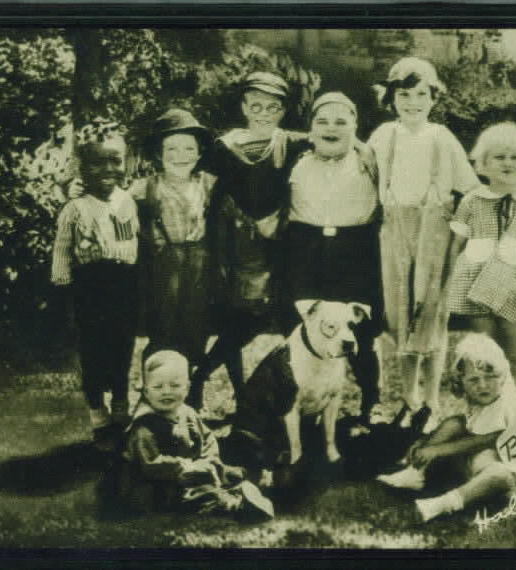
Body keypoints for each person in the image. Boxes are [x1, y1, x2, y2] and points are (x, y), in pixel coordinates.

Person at [368, 57, 482, 421]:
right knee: (401, 313)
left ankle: (431, 402)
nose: (412, 103)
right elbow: (362, 177)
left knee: (433, 314)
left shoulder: (441, 137)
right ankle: (409, 398)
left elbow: (470, 187)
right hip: (394, 229)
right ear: (391, 98)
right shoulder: (383, 135)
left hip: (435, 231)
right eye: (404, 95)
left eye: (421, 95)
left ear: (434, 98)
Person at [191, 71, 310, 405]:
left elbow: (336, 141)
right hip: (239, 247)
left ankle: (296, 393)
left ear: (283, 110)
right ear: (243, 107)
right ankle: (212, 382)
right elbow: (204, 189)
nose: (263, 113)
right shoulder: (224, 147)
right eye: (255, 105)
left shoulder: (292, 143)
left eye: (273, 107)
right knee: (240, 320)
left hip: (280, 245)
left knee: (281, 317)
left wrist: (280, 215)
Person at [280, 91, 382, 422]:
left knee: (360, 331)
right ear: (310, 128)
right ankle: (298, 404)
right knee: (302, 325)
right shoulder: (296, 161)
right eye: (322, 121)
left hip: (355, 249)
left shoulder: (371, 162)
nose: (331, 128)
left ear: (355, 126)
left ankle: (371, 403)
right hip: (305, 248)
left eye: (341, 122)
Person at [376, 333, 516, 522]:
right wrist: (425, 444)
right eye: (474, 380)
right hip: (490, 460)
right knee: (456, 423)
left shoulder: (508, 403)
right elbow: (468, 429)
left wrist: (436, 450)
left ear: (502, 377)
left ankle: (443, 504)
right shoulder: (480, 402)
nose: (483, 386)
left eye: (490, 377)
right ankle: (416, 472)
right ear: (461, 381)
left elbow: (482, 440)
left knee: (499, 474)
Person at [446, 122, 516, 395]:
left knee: (512, 357)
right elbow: (454, 247)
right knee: (484, 356)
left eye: (515, 157)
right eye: (499, 157)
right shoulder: (471, 201)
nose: (508, 163)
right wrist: (444, 288)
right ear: (483, 163)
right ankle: (484, 409)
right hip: (475, 290)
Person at [50, 125, 139, 446]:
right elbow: (62, 246)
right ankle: (98, 416)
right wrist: (62, 279)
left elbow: (129, 237)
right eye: (97, 162)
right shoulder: (76, 208)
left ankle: (121, 408)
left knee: (123, 348)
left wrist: (133, 266)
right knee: (93, 352)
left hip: (124, 283)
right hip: (91, 285)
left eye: (115, 160)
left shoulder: (126, 201)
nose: (108, 169)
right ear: (82, 167)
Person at [117, 350, 274, 520]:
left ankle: (245, 488)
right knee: (196, 497)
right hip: (161, 483)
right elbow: (150, 464)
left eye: (175, 386)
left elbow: (207, 438)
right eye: (158, 387)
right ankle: (234, 503)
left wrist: (209, 459)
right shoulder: (144, 426)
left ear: (187, 388)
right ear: (146, 391)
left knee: (231, 472)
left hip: (194, 471)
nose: (166, 392)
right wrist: (184, 467)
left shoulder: (186, 412)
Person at [130, 109, 217, 388]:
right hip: (163, 268)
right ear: (159, 153)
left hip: (200, 267)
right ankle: (153, 389)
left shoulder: (208, 184)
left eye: (189, 148)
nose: (181, 156)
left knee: (196, 330)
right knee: (163, 331)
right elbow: (110, 203)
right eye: (172, 148)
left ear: (200, 152)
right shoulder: (145, 187)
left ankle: (191, 391)